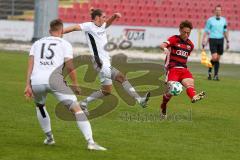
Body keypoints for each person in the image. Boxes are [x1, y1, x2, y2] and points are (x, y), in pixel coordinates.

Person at [24, 19, 106, 150]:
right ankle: (91, 142)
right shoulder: (65, 43)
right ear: (62, 31)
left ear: (50, 31)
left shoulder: (37, 43)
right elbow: (70, 66)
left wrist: (27, 84)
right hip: (55, 81)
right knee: (76, 109)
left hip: (37, 81)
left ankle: (49, 138)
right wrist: (76, 84)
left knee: (40, 106)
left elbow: (30, 65)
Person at [63, 9, 150, 114]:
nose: (105, 19)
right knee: (121, 77)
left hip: (105, 62)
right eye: (103, 17)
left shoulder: (102, 26)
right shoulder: (89, 26)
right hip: (100, 63)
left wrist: (113, 17)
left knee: (106, 91)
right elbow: (74, 27)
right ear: (97, 17)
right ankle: (140, 100)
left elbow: (107, 24)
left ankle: (84, 103)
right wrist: (60, 32)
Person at [159, 20, 205, 118]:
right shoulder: (174, 39)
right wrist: (165, 48)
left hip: (183, 69)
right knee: (171, 91)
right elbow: (162, 45)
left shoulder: (190, 45)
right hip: (172, 69)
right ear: (180, 30)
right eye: (184, 32)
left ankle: (193, 97)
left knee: (190, 84)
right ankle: (163, 106)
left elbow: (184, 58)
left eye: (188, 33)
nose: (186, 34)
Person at [202, 5, 229, 81]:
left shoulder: (224, 20)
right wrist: (204, 39)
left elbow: (225, 31)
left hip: (221, 40)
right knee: (214, 57)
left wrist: (227, 41)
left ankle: (215, 75)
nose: (218, 11)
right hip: (212, 39)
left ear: (221, 11)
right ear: (214, 11)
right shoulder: (210, 20)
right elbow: (206, 31)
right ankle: (210, 72)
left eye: (219, 10)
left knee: (217, 59)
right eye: (217, 10)